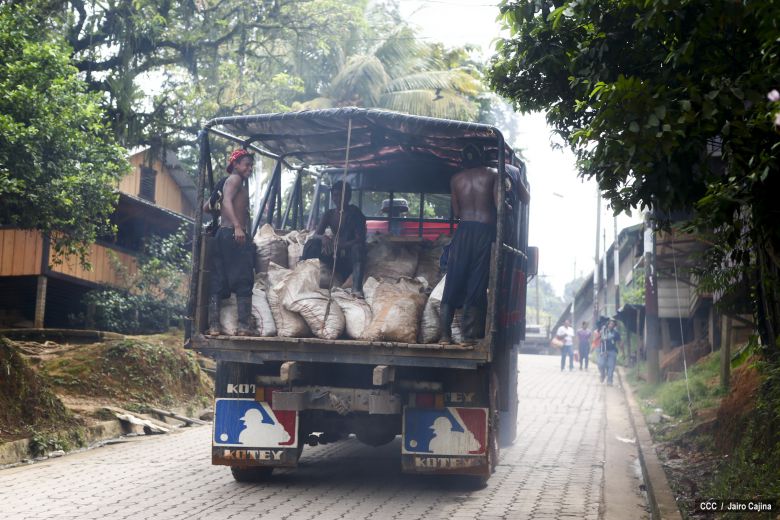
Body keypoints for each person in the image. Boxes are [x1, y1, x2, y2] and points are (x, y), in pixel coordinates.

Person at [440, 144, 498, 344]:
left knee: (454, 279)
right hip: (484, 231)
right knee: (477, 282)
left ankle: (445, 335)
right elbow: (499, 205)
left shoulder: (456, 179)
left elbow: (456, 213)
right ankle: (467, 336)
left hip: (463, 231)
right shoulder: (492, 174)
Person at [206, 148, 255, 336]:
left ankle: (214, 326)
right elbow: (226, 201)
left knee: (218, 279)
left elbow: (208, 207)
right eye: (247, 164)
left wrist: (216, 205)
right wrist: (237, 226)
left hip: (223, 235)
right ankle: (243, 326)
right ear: (235, 165)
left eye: (251, 165)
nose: (250, 168)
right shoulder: (235, 180)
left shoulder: (227, 183)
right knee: (244, 278)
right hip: (233, 234)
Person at [301, 181, 367, 297]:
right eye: (335, 195)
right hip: (333, 255)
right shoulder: (329, 214)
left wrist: (344, 245)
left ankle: (356, 289)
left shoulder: (355, 213)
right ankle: (304, 279)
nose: (337, 198)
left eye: (340, 195)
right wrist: (323, 238)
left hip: (349, 258)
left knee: (358, 248)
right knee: (312, 244)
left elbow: (360, 239)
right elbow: (316, 234)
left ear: (348, 196)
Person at [599, 318, 622, 385]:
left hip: (612, 351)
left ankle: (609, 380)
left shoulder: (616, 333)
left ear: (614, 325)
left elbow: (619, 342)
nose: (611, 325)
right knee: (601, 364)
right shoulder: (603, 331)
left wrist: (622, 350)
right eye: (610, 323)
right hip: (603, 350)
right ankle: (602, 375)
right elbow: (600, 340)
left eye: (613, 324)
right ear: (608, 324)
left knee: (611, 366)